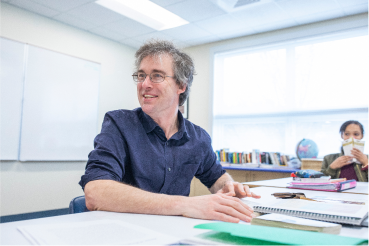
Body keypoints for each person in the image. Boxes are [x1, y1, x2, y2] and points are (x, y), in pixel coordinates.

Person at [79, 40, 260, 223]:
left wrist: (228, 185)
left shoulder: (198, 138)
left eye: (157, 76)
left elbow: (217, 178)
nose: (145, 84)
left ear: (181, 85)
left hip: (175, 234)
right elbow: (96, 192)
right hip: (125, 232)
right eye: (141, 75)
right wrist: (186, 205)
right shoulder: (119, 124)